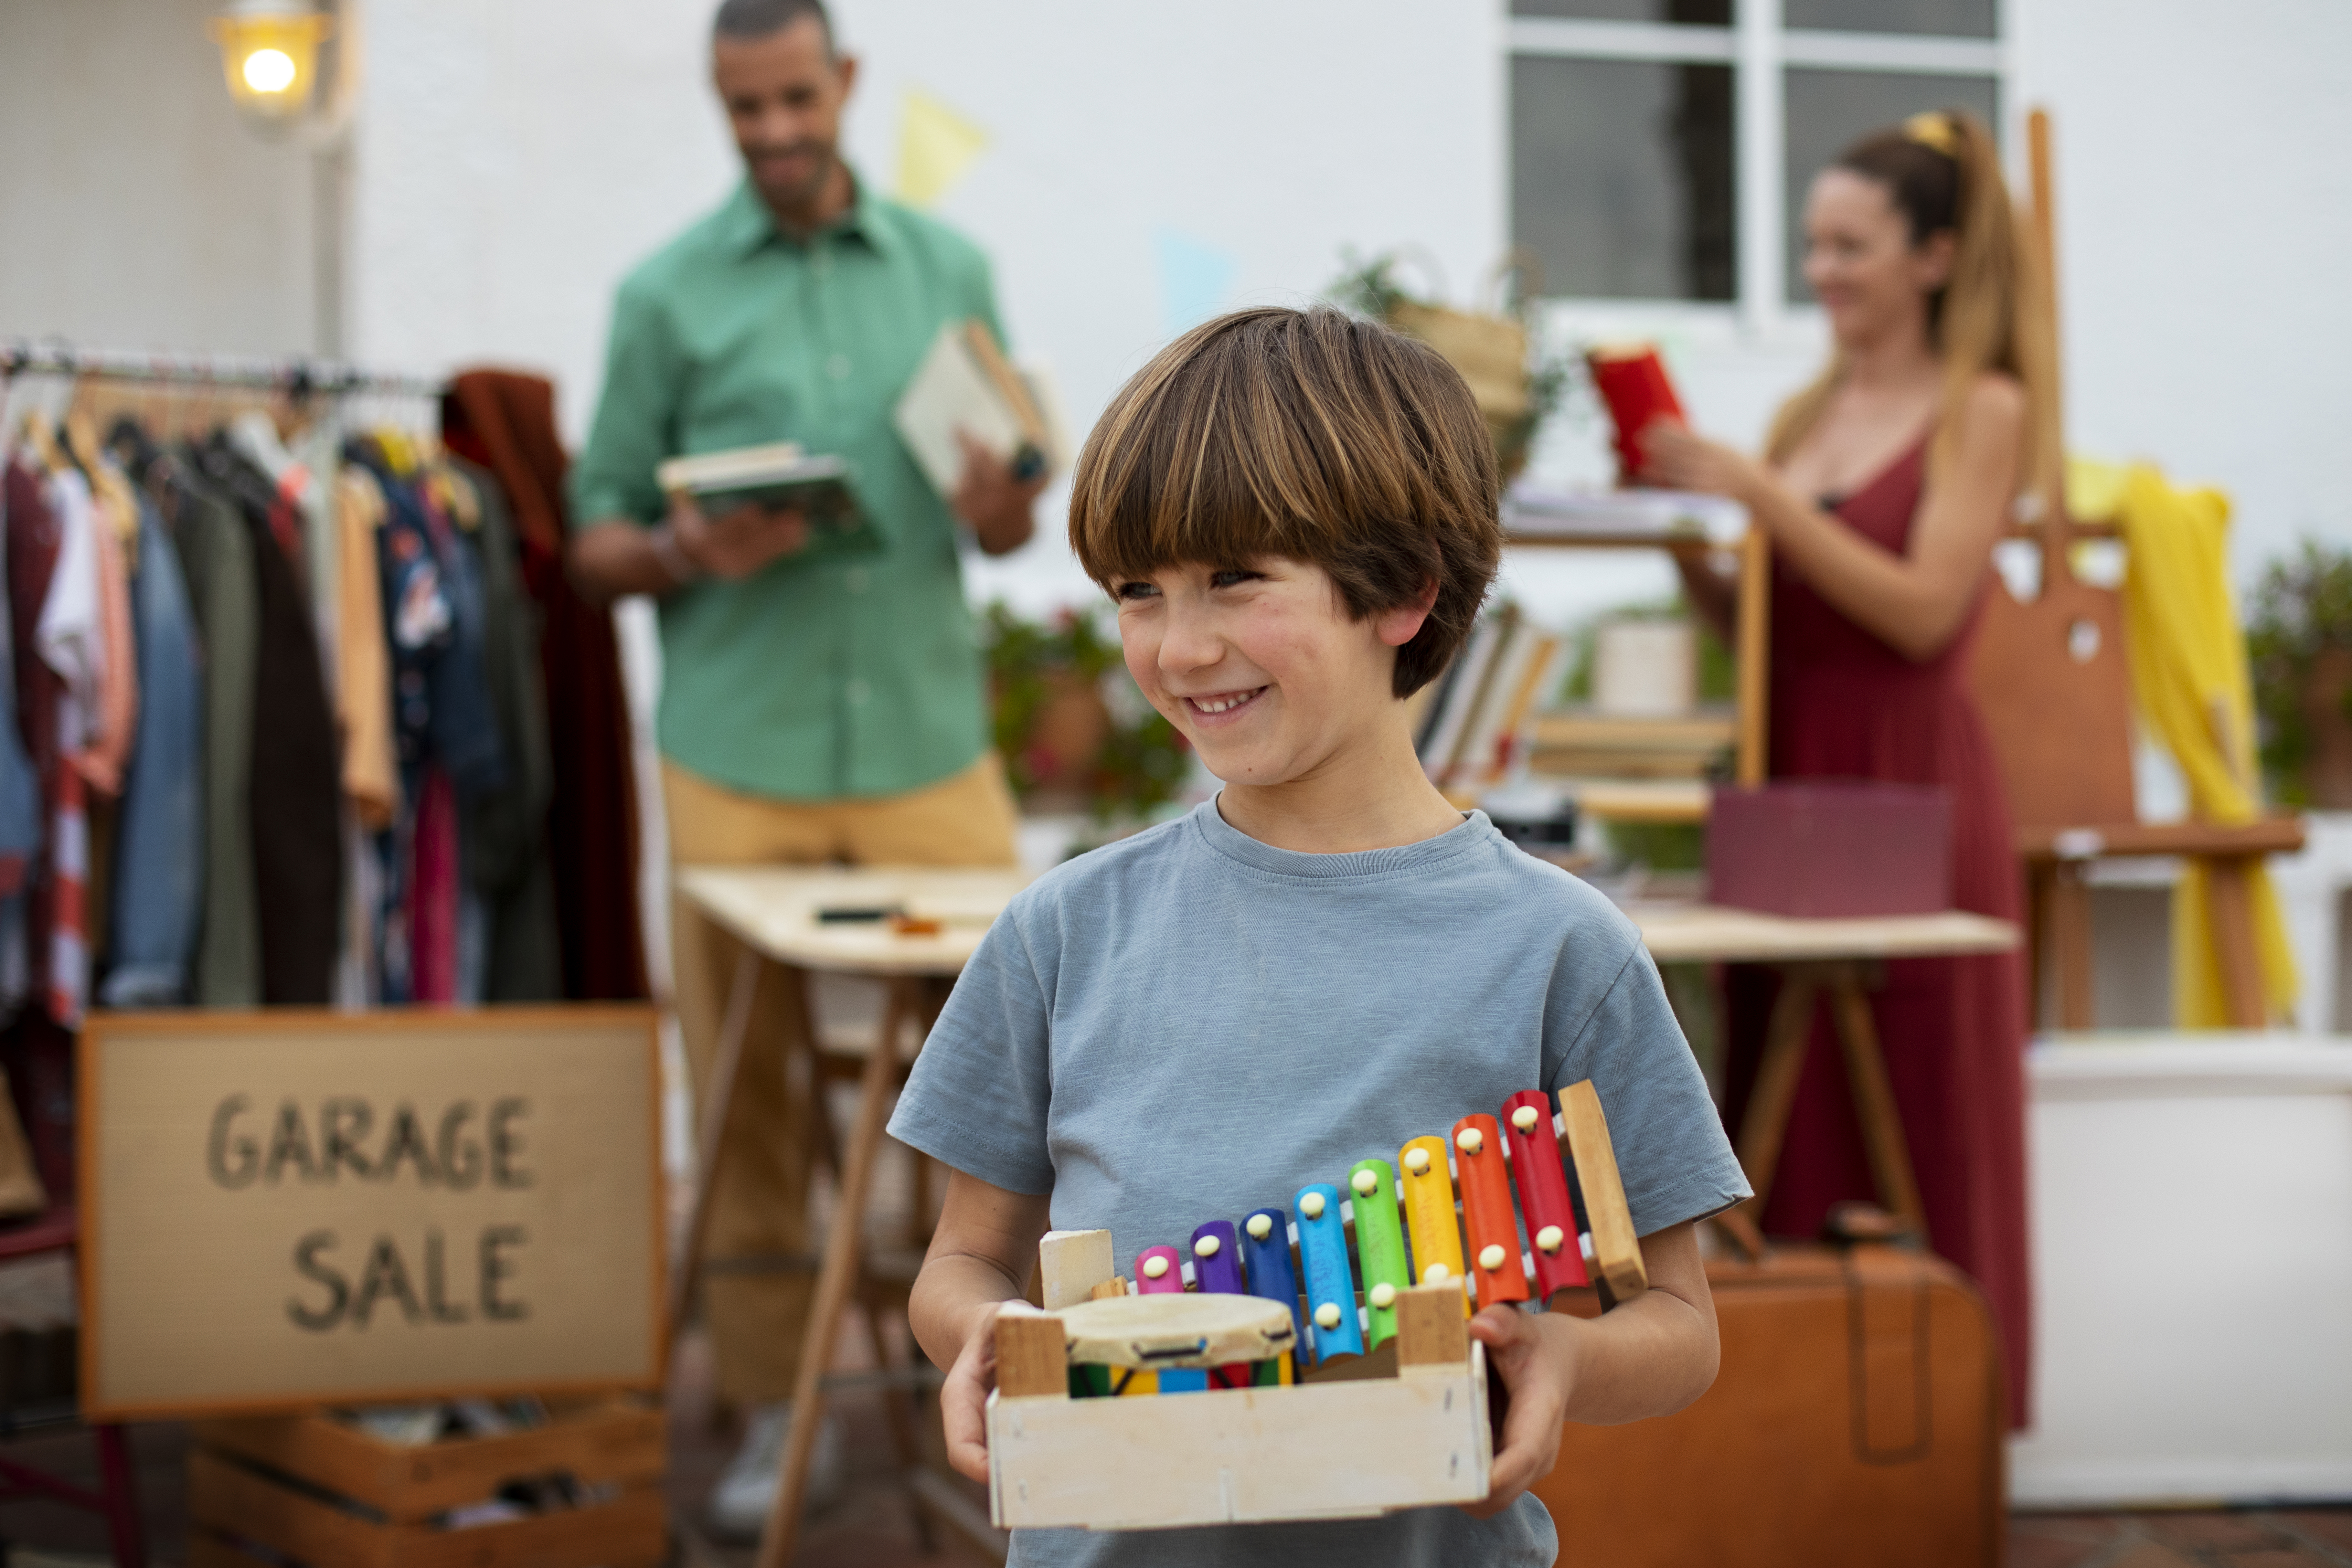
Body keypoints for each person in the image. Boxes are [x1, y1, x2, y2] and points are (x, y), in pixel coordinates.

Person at [889, 306, 1749, 1567]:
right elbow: (960, 1259)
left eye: (1235, 578)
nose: (1179, 648)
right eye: (1139, 593)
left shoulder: (1564, 950)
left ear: (1402, 590)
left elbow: (1680, 1324)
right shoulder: (1060, 933)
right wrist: (984, 1333)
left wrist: (1561, 1354)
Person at [566, 0, 1045, 1535]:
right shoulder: (663, 297)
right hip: (737, 747)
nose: (772, 133)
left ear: (841, 84)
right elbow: (590, 543)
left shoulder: (949, 270)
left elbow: (1010, 517)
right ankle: (784, 1410)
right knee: (747, 1095)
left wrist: (997, 498)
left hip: (923, 737)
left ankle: (1023, 1382)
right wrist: (681, 547)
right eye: (741, 110)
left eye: (792, 100)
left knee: (1027, 1076)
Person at [1639, 109, 2049, 1423]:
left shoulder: (1980, 406)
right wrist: (1678, 534)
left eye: (1850, 245)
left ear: (1931, 256)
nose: (1821, 269)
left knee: (1912, 1092)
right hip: (1790, 780)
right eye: (1810, 243)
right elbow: (1770, 620)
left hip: (1903, 787)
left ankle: (1926, 1421)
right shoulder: (1808, 409)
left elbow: (1926, 612)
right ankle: (1792, 1413)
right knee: (1778, 1085)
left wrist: (1755, 496)